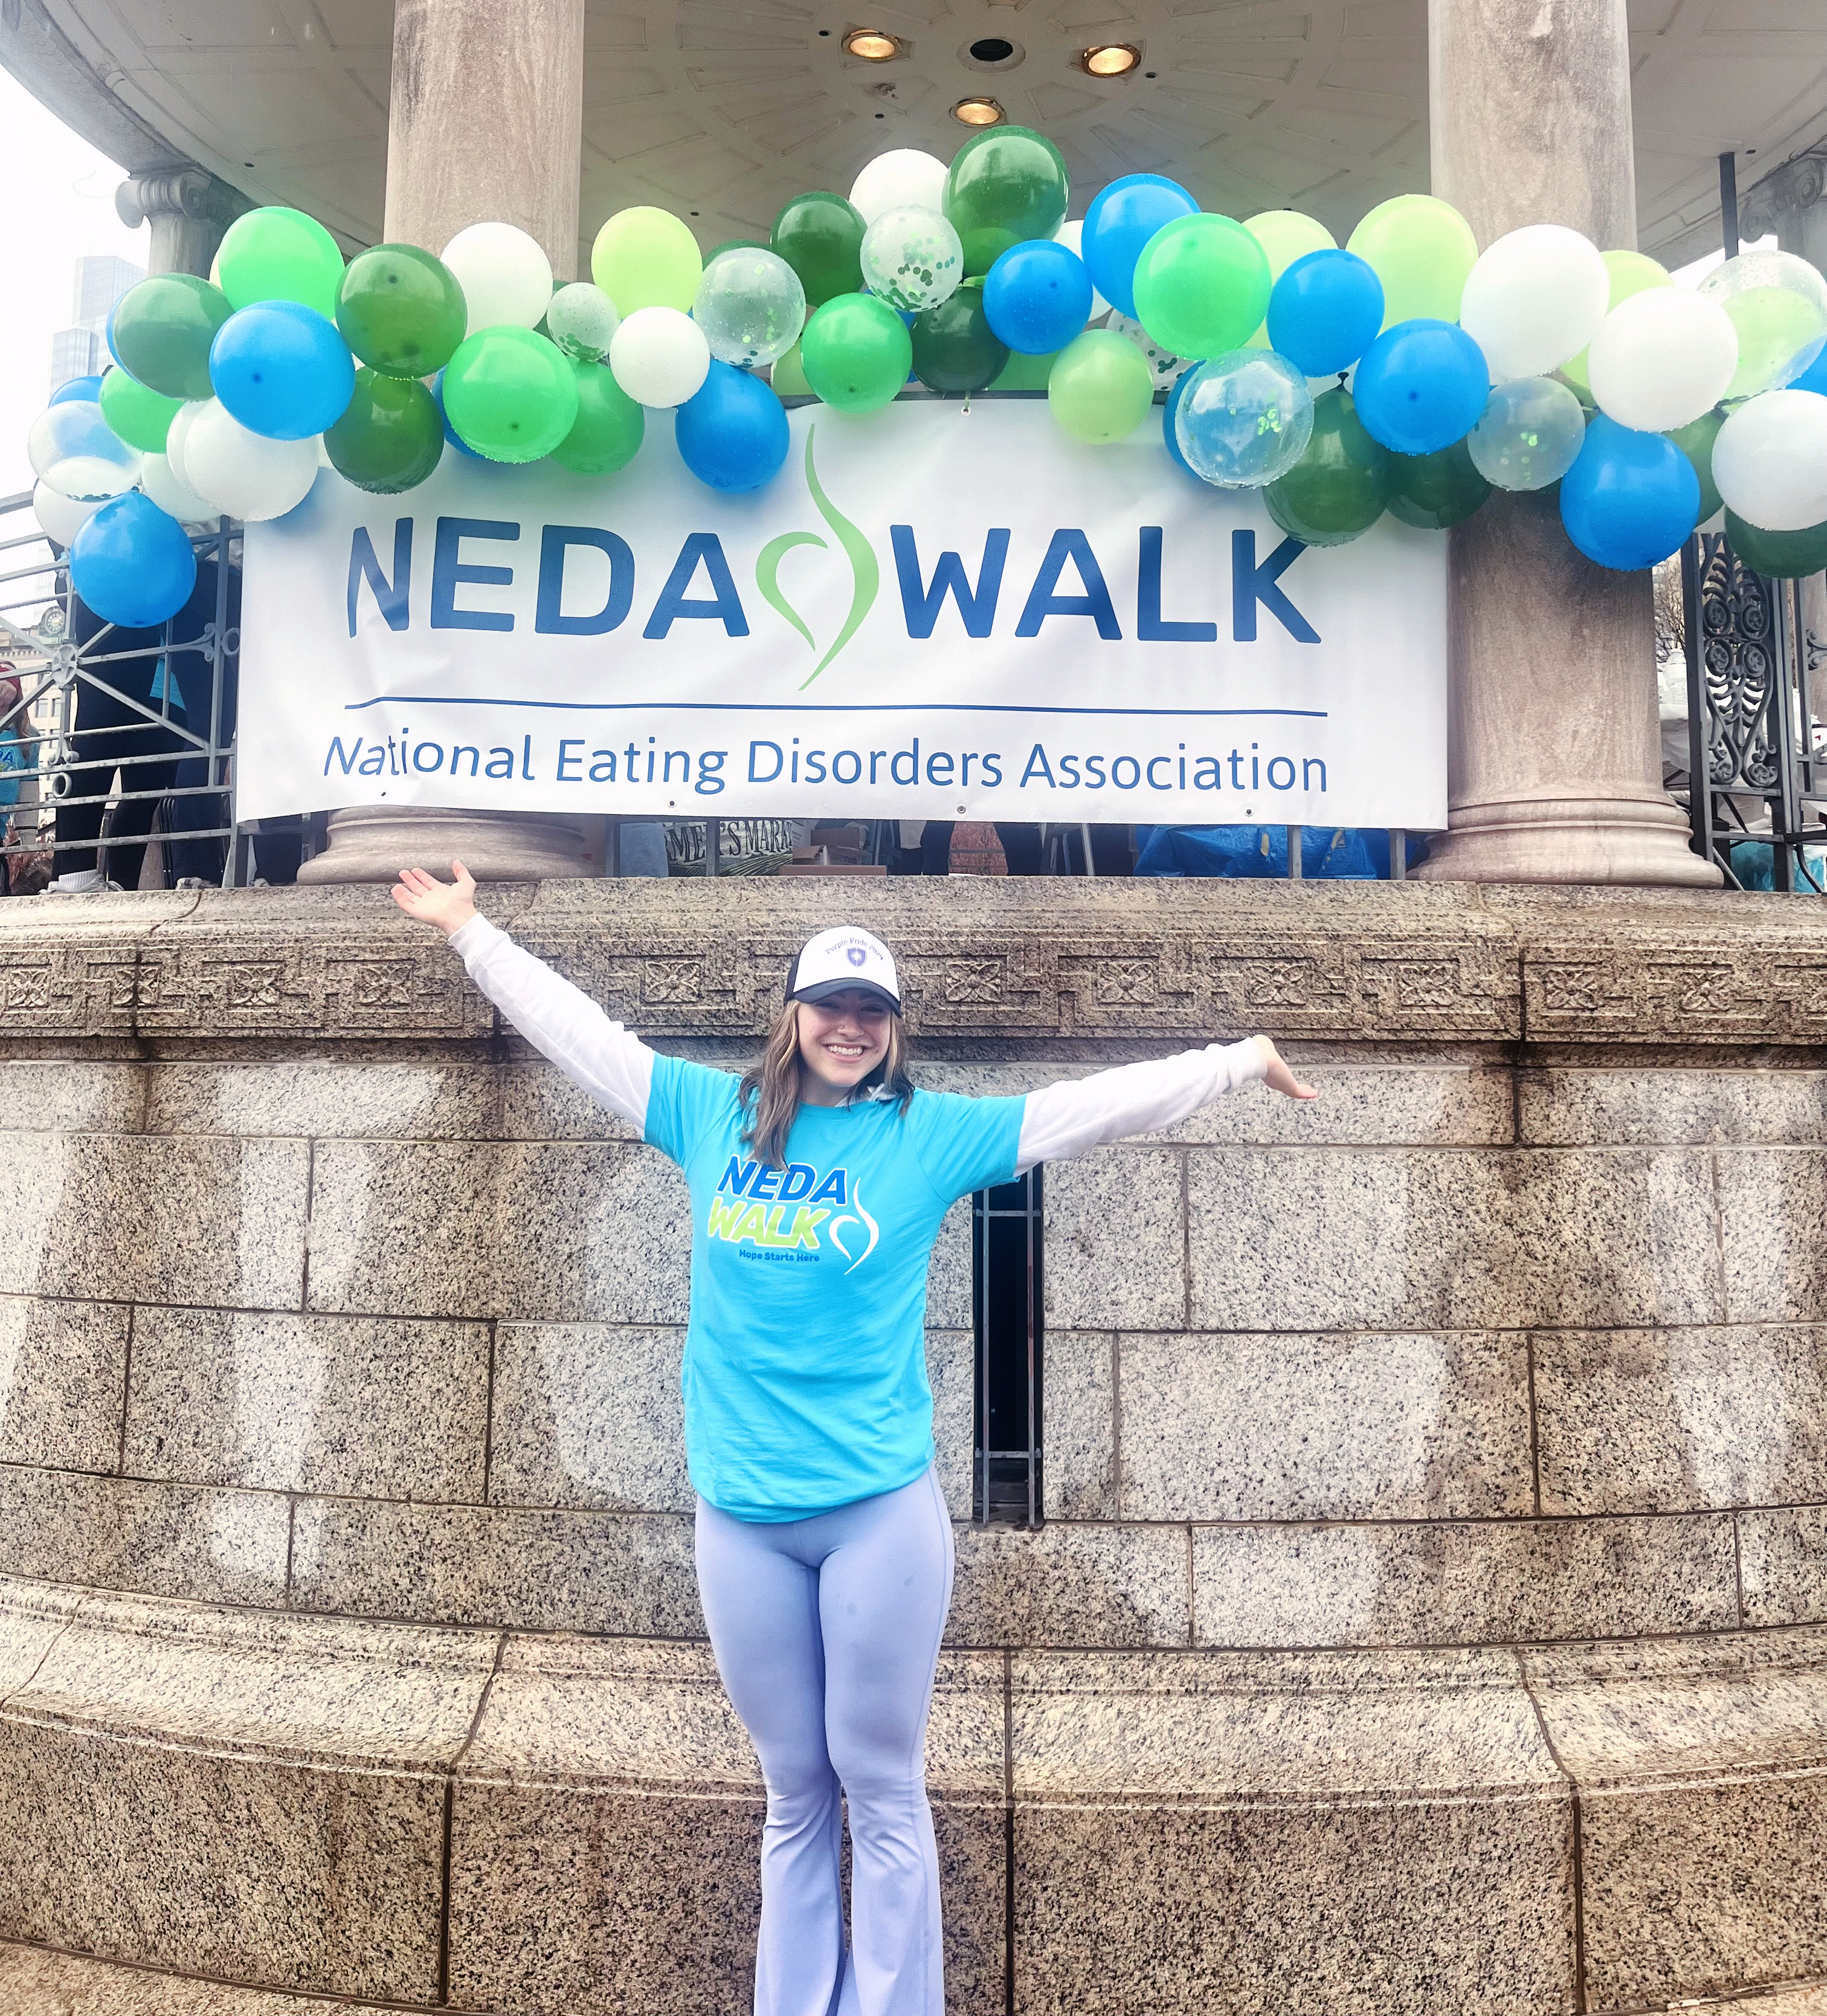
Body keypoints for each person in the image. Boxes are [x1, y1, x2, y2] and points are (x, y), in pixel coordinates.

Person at [391, 860, 1316, 2016]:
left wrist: (1233, 1061)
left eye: (872, 1011)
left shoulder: (928, 1137)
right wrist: (473, 932)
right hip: (742, 1521)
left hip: (879, 1514)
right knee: (792, 1793)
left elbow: (1089, 1106)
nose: (849, 1027)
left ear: (893, 1030)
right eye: (830, 1005)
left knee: (879, 1783)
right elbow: (581, 1034)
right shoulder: (710, 1114)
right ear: (792, 1015)